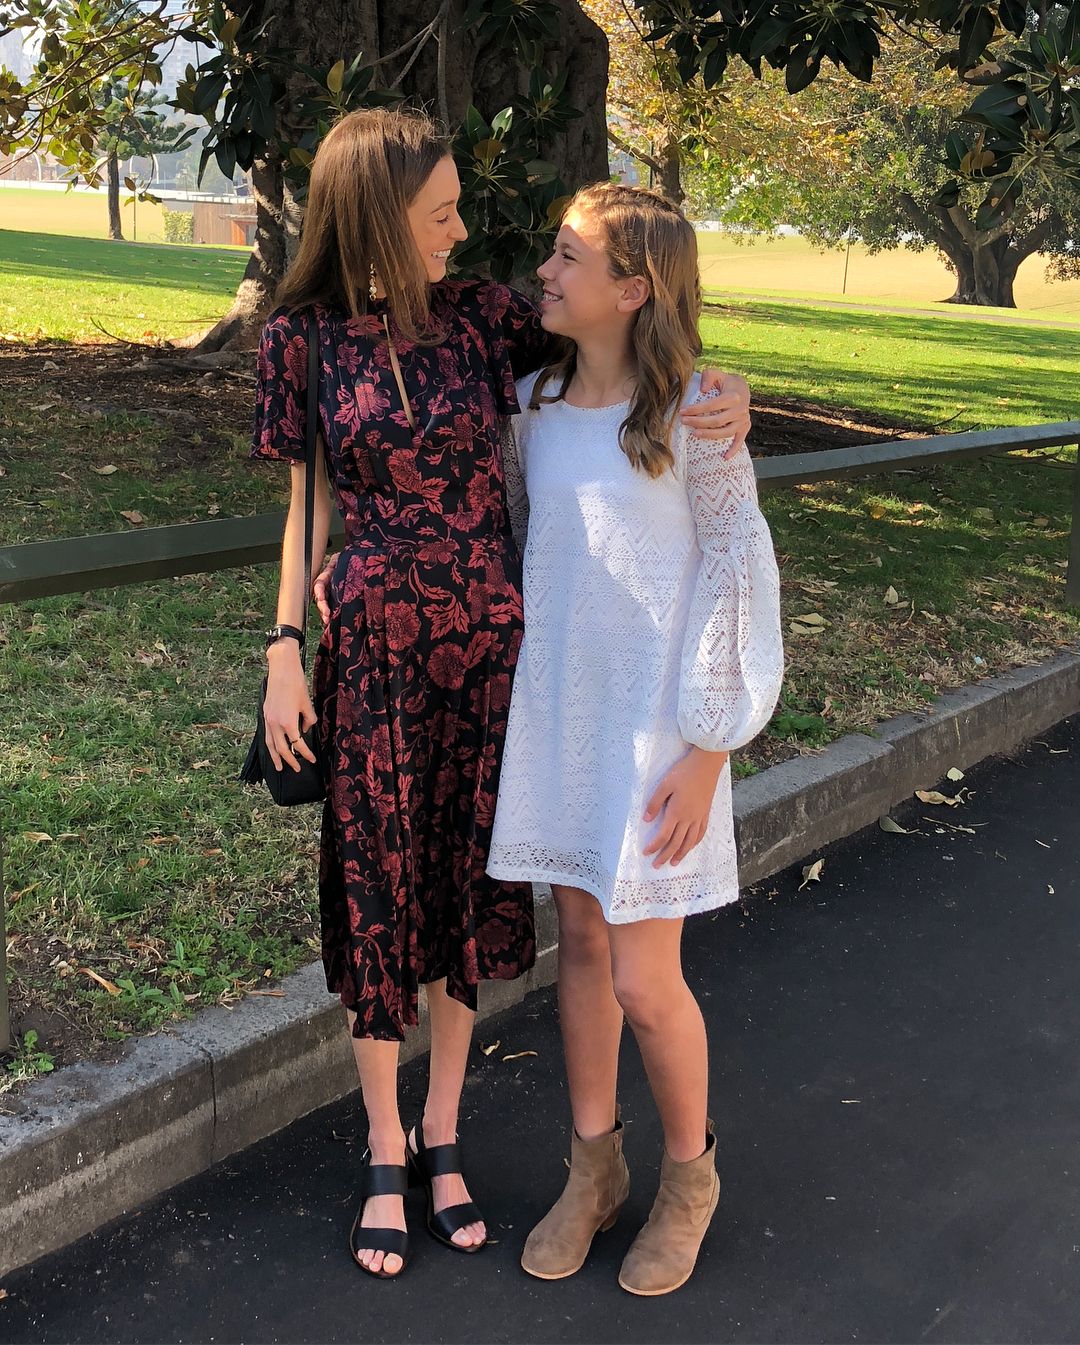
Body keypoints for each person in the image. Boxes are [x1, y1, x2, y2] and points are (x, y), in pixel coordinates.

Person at [254, 106, 753, 1280]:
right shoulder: (304, 342)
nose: (467, 231)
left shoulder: (483, 320)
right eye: (441, 211)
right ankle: (426, 1151)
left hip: (501, 666)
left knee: (493, 903)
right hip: (393, 659)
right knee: (398, 893)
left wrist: (729, 390)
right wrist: (283, 642)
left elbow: (631, 346)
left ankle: (499, 1145)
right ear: (381, 215)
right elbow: (310, 503)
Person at [486, 182, 784, 1296]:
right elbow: (529, 547)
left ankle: (691, 1178)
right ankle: (594, 1167)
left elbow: (738, 570)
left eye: (568, 257)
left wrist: (711, 748)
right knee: (580, 945)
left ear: (632, 288)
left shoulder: (696, 415)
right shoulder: (531, 408)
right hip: (563, 719)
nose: (545, 271)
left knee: (648, 977)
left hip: (659, 738)